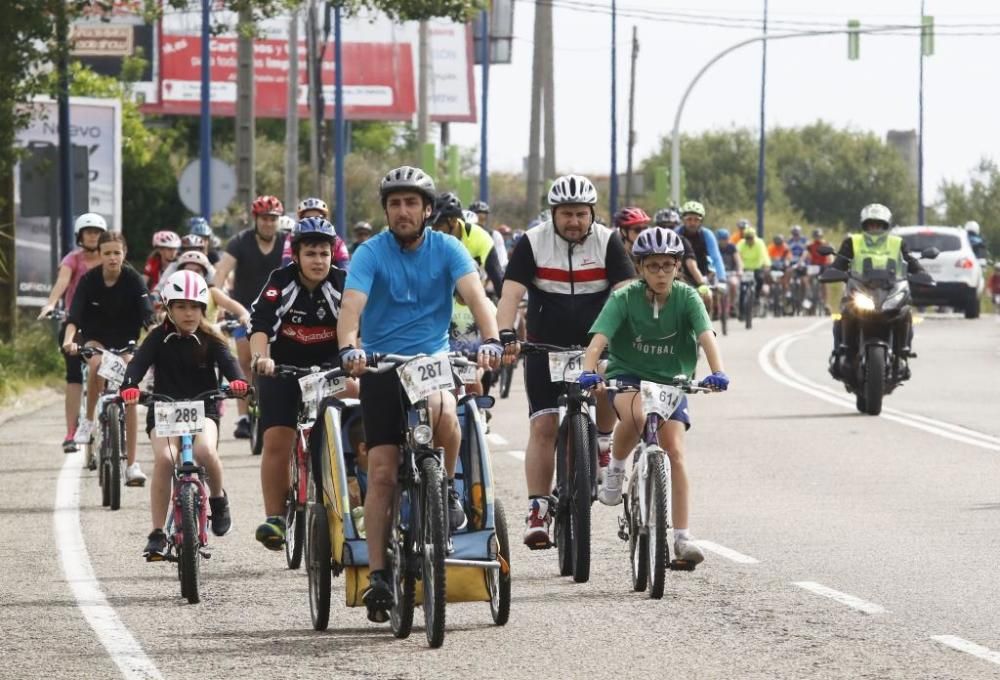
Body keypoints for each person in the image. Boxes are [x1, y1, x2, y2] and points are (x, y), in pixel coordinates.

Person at [338, 165, 501, 623]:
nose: (403, 211)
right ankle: (378, 576)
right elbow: (352, 306)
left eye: (411, 203)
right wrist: (349, 348)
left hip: (431, 363)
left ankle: (444, 489)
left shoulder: (448, 247)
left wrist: (490, 337)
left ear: (427, 210)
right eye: (395, 204)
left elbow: (476, 295)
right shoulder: (370, 252)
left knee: (445, 410)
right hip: (381, 367)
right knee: (384, 471)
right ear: (387, 211)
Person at [495, 174, 635, 548]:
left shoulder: (608, 242)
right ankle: (538, 509)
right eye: (566, 214)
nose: (573, 221)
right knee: (542, 427)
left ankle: (603, 443)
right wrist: (507, 334)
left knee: (606, 379)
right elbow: (509, 296)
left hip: (597, 344)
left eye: (580, 214)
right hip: (546, 346)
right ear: (552, 214)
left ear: (592, 214)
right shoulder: (532, 242)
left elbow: (626, 293)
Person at [576, 227, 729, 566]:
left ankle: (682, 537)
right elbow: (599, 340)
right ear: (640, 268)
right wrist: (589, 370)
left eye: (668, 266)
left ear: (678, 266)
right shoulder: (624, 298)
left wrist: (717, 372)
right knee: (639, 416)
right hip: (628, 375)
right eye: (653, 266)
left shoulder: (687, 298)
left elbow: (706, 335)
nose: (661, 273)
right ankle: (615, 467)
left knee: (674, 451)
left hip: (672, 381)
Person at [119, 270, 248, 560]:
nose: (188, 313)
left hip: (204, 409)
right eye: (180, 306)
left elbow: (230, 363)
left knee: (204, 451)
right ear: (168, 308)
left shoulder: (211, 339)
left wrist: (238, 382)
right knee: (165, 459)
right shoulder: (156, 338)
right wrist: (129, 387)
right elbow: (137, 365)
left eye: (194, 306)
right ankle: (156, 533)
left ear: (203, 309)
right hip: (163, 409)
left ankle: (217, 499)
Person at [248, 216, 353, 550]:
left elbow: (357, 328)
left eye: (324, 253)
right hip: (283, 371)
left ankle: (357, 497)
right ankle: (276, 517)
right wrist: (261, 358)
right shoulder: (280, 282)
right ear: (297, 255)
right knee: (277, 439)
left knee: (359, 414)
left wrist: (356, 359)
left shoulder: (343, 283)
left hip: (329, 372)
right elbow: (260, 326)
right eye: (311, 254)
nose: (318, 261)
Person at [62, 231, 152, 484]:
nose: (113, 258)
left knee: (130, 391)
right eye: (107, 253)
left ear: (124, 254)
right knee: (96, 365)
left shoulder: (133, 279)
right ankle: (88, 423)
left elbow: (147, 315)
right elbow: (74, 317)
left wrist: (155, 334)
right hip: (96, 340)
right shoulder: (89, 280)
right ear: (99, 255)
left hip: (126, 343)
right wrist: (69, 340)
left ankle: (132, 464)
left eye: (117, 253)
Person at [213, 195, 285, 439]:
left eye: (273, 219)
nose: (268, 224)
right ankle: (244, 416)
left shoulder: (287, 242)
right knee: (245, 360)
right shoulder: (240, 242)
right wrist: (218, 298)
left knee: (277, 362)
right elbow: (221, 272)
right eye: (264, 219)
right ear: (256, 219)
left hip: (278, 311)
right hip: (245, 312)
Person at [827, 203, 927, 379]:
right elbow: (839, 263)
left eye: (879, 224)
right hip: (861, 288)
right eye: (871, 224)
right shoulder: (852, 241)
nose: (874, 228)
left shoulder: (897, 243)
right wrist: (832, 272)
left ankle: (902, 355)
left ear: (886, 225)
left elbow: (912, 262)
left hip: (890, 289)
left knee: (905, 312)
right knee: (845, 312)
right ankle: (844, 354)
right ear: (864, 225)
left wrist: (922, 274)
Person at [37, 212, 105, 452]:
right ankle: (70, 432)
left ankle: (109, 422)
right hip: (75, 325)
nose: (93, 236)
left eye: (97, 232)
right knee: (74, 377)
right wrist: (51, 303)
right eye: (88, 232)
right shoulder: (72, 260)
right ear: (80, 236)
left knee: (108, 372)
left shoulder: (109, 259)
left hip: (105, 326)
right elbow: (62, 282)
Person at [429, 192, 506, 297]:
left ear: (453, 221)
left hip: (474, 296)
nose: (434, 231)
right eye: (432, 225)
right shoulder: (429, 237)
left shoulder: (481, 237)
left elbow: (498, 280)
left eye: (438, 225)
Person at [172, 251, 250, 326]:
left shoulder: (212, 292)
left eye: (197, 271)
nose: (193, 274)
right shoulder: (174, 293)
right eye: (188, 271)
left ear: (204, 274)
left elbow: (229, 303)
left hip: (210, 336)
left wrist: (244, 314)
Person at [676, 201, 725, 307]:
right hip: (681, 276)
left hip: (703, 277)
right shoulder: (676, 234)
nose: (692, 223)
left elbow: (716, 258)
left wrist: (722, 279)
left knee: (708, 297)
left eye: (696, 220)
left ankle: (704, 322)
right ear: (683, 220)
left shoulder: (707, 235)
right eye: (689, 219)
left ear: (701, 221)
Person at [296, 197, 350, 269]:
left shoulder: (337, 241)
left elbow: (345, 270)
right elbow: (286, 267)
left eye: (318, 218)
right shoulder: (292, 238)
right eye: (307, 218)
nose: (313, 221)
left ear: (325, 219)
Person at [736, 228, 771, 314]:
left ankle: (757, 297)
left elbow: (764, 255)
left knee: (760, 279)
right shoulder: (741, 243)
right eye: (747, 238)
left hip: (757, 267)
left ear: (754, 237)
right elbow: (736, 254)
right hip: (744, 268)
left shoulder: (760, 243)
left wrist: (767, 265)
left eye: (751, 238)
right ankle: (741, 312)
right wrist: (738, 266)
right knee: (742, 288)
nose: (749, 240)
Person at [469, 200, 509, 270]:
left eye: (483, 218)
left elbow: (502, 262)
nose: (479, 222)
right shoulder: (464, 235)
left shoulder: (494, 235)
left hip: (490, 276)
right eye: (476, 218)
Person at [716, 229, 743, 316]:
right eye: (722, 239)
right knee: (714, 287)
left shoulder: (732, 247)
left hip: (731, 272)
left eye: (726, 239)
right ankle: (716, 307)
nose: (724, 241)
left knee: (734, 284)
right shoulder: (715, 247)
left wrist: (739, 270)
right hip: (717, 273)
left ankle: (732, 305)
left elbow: (738, 260)